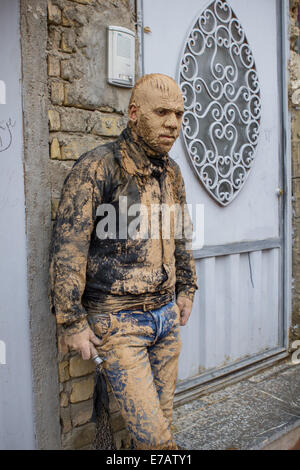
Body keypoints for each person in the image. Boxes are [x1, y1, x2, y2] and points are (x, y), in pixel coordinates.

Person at [49, 73, 198, 450]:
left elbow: (181, 235)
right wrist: (71, 321)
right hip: (118, 323)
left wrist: (187, 288)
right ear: (134, 113)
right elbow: (69, 246)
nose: (173, 124)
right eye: (162, 112)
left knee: (155, 428)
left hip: (166, 318)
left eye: (179, 114)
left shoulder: (172, 173)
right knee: (158, 441)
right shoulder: (98, 167)